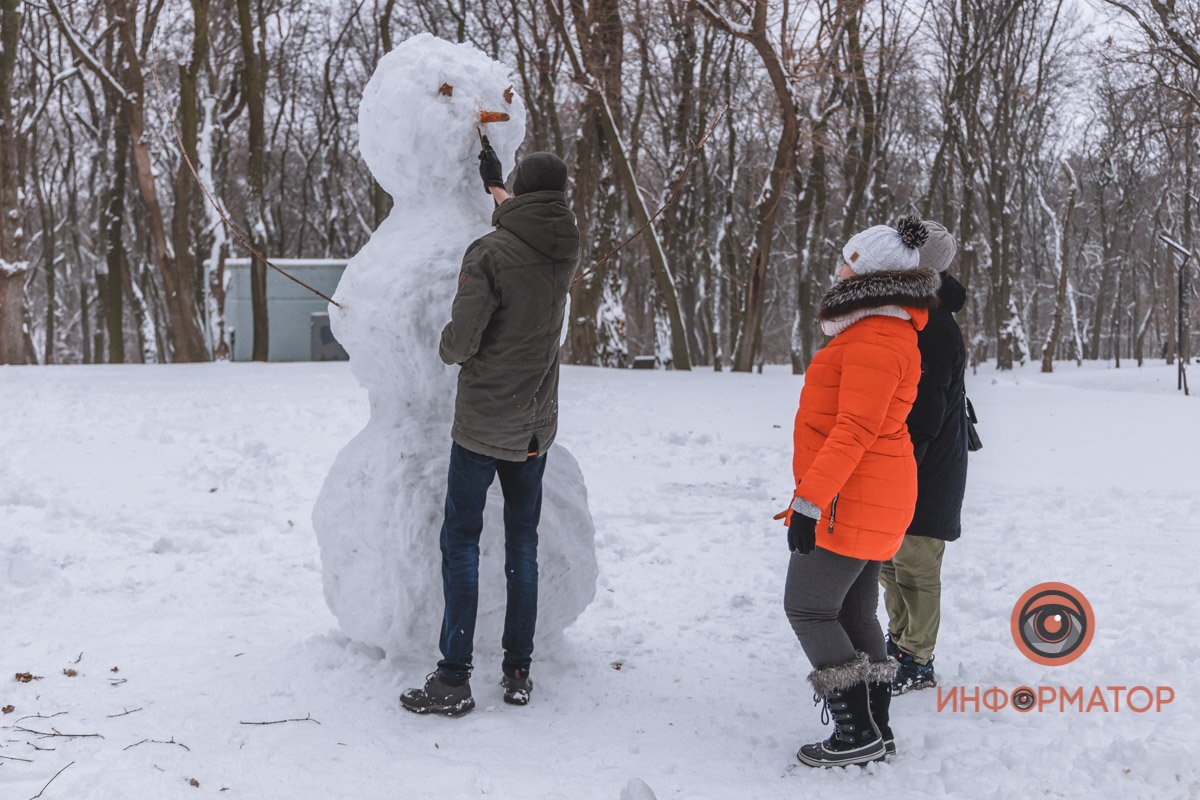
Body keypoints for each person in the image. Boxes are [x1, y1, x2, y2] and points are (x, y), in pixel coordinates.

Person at [400, 138, 579, 717]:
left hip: (481, 428)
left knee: (461, 542)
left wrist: (441, 340)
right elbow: (528, 222)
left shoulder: (488, 254)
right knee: (522, 544)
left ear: (524, 195)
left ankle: (453, 678)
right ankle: (518, 670)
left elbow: (459, 345)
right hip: (534, 430)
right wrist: (497, 185)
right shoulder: (565, 246)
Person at [782, 217, 940, 767]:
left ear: (872, 274)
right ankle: (878, 729)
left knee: (807, 607)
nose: (839, 267)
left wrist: (809, 500)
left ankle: (856, 733)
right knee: (855, 613)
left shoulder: (876, 337)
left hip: (852, 496)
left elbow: (854, 429)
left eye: (849, 260)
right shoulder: (879, 329)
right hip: (870, 492)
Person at [880, 221, 968, 694]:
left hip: (928, 464)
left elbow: (928, 408)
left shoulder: (933, 323)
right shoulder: (912, 311)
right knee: (889, 561)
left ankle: (917, 660)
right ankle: (900, 643)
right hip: (908, 457)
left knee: (915, 559)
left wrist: (902, 459)